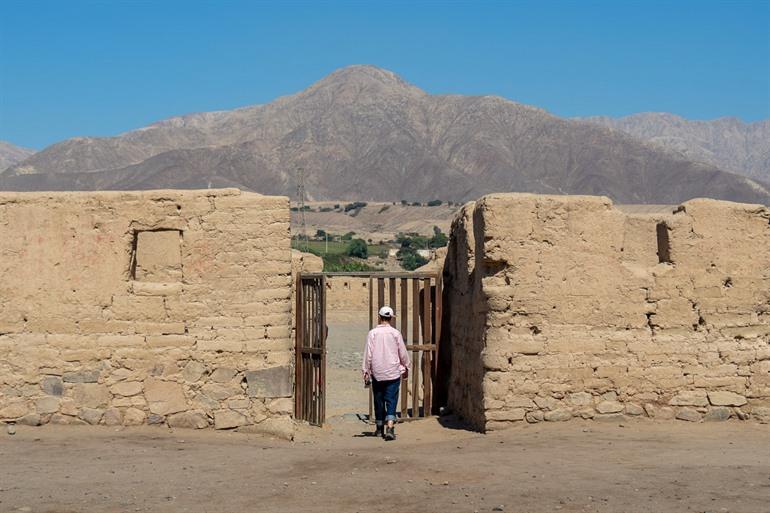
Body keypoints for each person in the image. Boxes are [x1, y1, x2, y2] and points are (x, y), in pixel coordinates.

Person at [362, 305, 410, 441]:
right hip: (392, 372)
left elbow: (368, 354)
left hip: (377, 372)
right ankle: (390, 426)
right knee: (391, 399)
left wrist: (366, 370)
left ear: (380, 317)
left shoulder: (372, 333)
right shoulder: (395, 333)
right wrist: (406, 366)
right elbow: (402, 352)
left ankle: (379, 428)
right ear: (391, 318)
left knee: (378, 400)